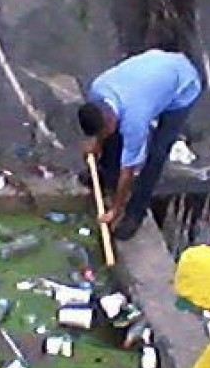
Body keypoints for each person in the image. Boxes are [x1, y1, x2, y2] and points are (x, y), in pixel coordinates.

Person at [78, 48, 202, 241]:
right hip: (153, 71)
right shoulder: (98, 89)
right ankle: (106, 174)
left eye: (103, 131)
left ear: (110, 119)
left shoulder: (134, 120)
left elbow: (129, 170)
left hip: (182, 87)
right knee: (113, 138)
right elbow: (102, 128)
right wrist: (97, 143)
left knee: (157, 153)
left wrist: (116, 209)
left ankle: (135, 212)